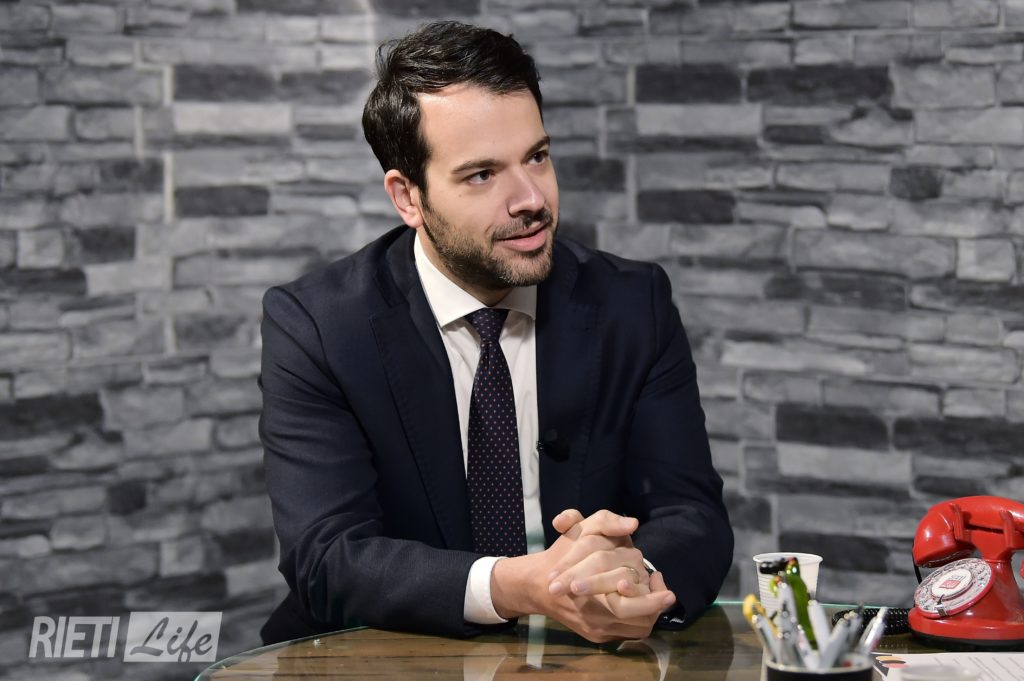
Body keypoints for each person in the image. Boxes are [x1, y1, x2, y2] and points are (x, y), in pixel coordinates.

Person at [258, 20, 733, 646]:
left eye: (537, 156)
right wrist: (517, 586)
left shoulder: (632, 303)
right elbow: (327, 557)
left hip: (584, 657)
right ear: (408, 197)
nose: (531, 198)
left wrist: (631, 580)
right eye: (482, 174)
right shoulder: (318, 325)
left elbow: (692, 515)